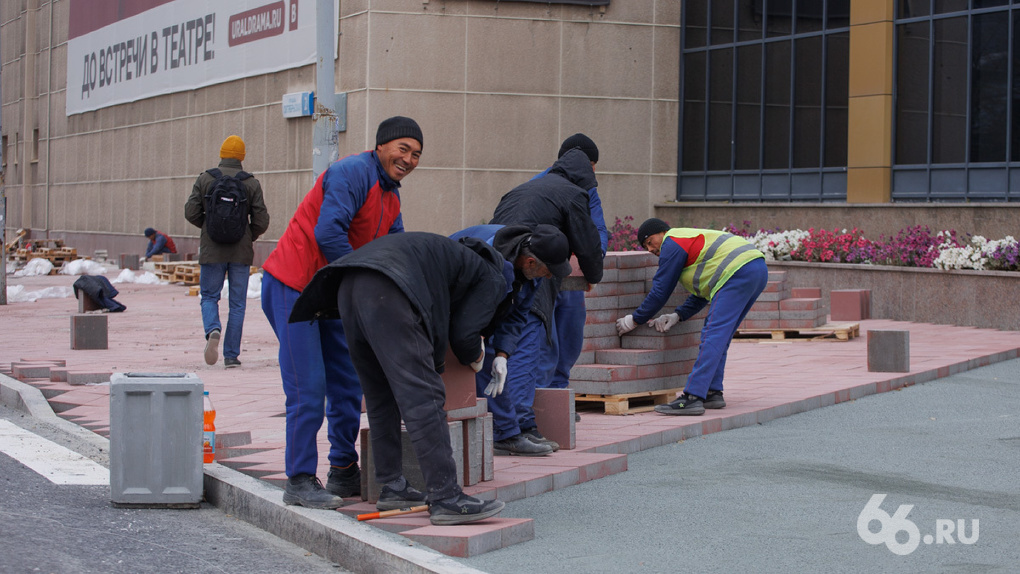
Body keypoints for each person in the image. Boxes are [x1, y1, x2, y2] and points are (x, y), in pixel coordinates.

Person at [290, 232, 509, 525]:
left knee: (381, 394)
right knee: (425, 395)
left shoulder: (443, 256)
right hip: (386, 289)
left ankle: (393, 486)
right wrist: (477, 356)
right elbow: (463, 334)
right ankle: (446, 498)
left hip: (349, 287)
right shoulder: (489, 275)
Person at [260, 116, 423, 509]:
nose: (409, 159)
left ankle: (343, 471)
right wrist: (363, 284)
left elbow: (394, 251)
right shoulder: (351, 172)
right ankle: (299, 479)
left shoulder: (391, 197)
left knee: (348, 383)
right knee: (308, 386)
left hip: (333, 293)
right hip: (294, 286)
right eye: (403, 148)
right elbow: (328, 233)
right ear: (381, 146)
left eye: (417, 154)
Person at [490, 147, 604, 445]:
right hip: (529, 266)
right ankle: (519, 427)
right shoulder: (573, 193)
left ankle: (513, 425)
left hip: (501, 264)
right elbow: (588, 242)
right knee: (528, 342)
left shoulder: (523, 189)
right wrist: (592, 276)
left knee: (506, 345)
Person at [616, 218, 768, 416]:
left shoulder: (672, 241)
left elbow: (661, 290)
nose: (650, 250)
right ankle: (712, 392)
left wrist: (635, 319)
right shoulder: (687, 246)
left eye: (649, 242)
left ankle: (693, 397)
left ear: (660, 233)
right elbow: (701, 295)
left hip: (738, 272)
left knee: (712, 335)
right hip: (754, 269)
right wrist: (678, 315)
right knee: (720, 336)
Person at [448, 223, 573, 456]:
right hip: (451, 294)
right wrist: (481, 349)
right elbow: (466, 316)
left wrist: (503, 355)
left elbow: (517, 316)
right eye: (548, 271)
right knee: (476, 353)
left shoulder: (531, 273)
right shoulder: (488, 260)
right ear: (531, 263)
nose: (549, 277)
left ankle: (506, 433)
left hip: (479, 296)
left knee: (492, 358)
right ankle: (505, 433)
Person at [531, 134, 608, 408]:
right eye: (592, 164)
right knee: (544, 340)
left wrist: (593, 263)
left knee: (571, 330)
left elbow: (597, 229)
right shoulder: (538, 185)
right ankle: (539, 401)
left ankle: (558, 395)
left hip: (569, 271)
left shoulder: (588, 189)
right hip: (542, 273)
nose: (594, 171)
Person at [185, 135, 270, 368]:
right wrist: (247, 234)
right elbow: (262, 220)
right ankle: (231, 355)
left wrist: (209, 228)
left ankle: (213, 328)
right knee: (237, 304)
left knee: (210, 295)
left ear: (221, 154)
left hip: (212, 250)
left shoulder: (206, 179)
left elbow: (190, 212)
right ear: (242, 158)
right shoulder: (250, 183)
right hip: (240, 253)